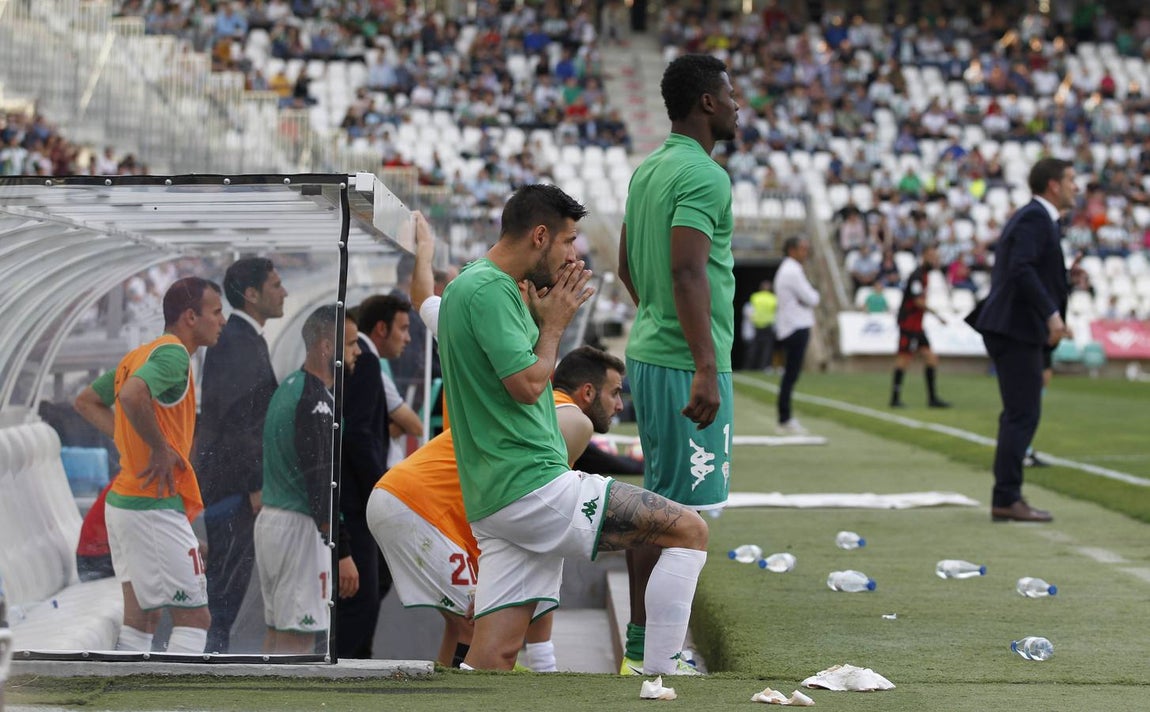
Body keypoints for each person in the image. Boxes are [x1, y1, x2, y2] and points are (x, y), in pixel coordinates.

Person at [439, 184, 709, 674]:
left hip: (497, 494)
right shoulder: (489, 289)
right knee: (689, 530)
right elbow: (527, 384)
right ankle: (662, 673)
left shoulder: (478, 286)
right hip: (530, 485)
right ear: (540, 236)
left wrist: (542, 320)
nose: (573, 254)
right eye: (568, 242)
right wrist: (555, 325)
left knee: (492, 657)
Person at [368, 343, 627, 671]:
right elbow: (535, 525)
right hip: (418, 505)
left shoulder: (542, 409)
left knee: (466, 623)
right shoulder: (571, 421)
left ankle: (444, 699)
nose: (619, 405)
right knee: (479, 623)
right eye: (615, 393)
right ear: (588, 392)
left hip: (404, 496)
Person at [615, 53, 737, 676]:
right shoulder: (704, 176)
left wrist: (660, 319)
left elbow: (627, 269)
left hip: (653, 353)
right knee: (685, 516)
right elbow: (689, 269)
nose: (739, 105)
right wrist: (704, 364)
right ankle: (661, 658)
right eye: (731, 94)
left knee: (657, 505)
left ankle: (642, 649)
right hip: (682, 363)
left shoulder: (649, 170)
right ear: (708, 103)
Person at [73, 277, 226, 653]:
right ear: (190, 317)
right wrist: (157, 447)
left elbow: (87, 401)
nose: (222, 321)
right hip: (151, 505)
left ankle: (122, 698)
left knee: (143, 618)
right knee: (195, 618)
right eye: (217, 312)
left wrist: (132, 438)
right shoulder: (173, 355)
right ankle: (176, 703)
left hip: (127, 504)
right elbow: (131, 395)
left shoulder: (140, 354)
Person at [968, 158, 1075, 523]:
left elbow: (1028, 268)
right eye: (1071, 180)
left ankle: (1007, 496)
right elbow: (1021, 268)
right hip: (1015, 328)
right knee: (1022, 414)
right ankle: (1006, 497)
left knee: (1019, 413)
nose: (1077, 187)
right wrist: (1052, 313)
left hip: (1016, 327)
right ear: (1053, 185)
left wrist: (1065, 286)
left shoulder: (1037, 218)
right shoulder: (1034, 217)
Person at [194, 257, 287, 653]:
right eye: (276, 285)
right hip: (233, 490)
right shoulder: (238, 342)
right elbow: (241, 422)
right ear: (251, 295)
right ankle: (208, 662)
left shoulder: (245, 340)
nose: (285, 293)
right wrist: (255, 484)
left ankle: (212, 656)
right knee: (226, 585)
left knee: (229, 584)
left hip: (232, 487)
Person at [255, 306, 360, 654]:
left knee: (278, 633)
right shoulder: (315, 402)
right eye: (350, 344)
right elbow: (321, 482)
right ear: (327, 348)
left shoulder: (290, 385)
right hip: (299, 529)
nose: (357, 352)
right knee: (297, 638)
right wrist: (342, 551)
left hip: (274, 521)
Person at [336, 293, 409, 658]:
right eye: (403, 328)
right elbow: (358, 433)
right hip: (358, 502)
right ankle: (349, 670)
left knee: (372, 588)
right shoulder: (364, 362)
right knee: (361, 599)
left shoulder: (362, 358)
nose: (408, 338)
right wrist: (381, 490)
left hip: (356, 499)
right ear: (381, 328)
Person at [890, 244, 951, 409]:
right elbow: (917, 301)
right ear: (924, 256)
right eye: (932, 257)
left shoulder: (925, 275)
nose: (935, 260)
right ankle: (894, 398)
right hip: (908, 325)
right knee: (904, 359)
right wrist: (937, 315)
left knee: (931, 358)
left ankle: (932, 399)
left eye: (936, 257)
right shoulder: (917, 276)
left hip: (917, 326)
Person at [773, 237, 820, 435]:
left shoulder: (788, 269)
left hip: (791, 325)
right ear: (791, 250)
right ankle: (785, 418)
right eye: (802, 249)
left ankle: (785, 417)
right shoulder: (792, 270)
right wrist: (811, 296)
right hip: (796, 326)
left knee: (790, 375)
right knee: (790, 375)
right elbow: (812, 298)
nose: (805, 253)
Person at [744, 281, 777, 371]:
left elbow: (750, 310)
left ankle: (749, 367)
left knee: (754, 347)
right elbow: (776, 312)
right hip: (768, 325)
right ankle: (764, 367)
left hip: (756, 325)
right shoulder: (773, 298)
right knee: (767, 348)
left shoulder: (755, 297)